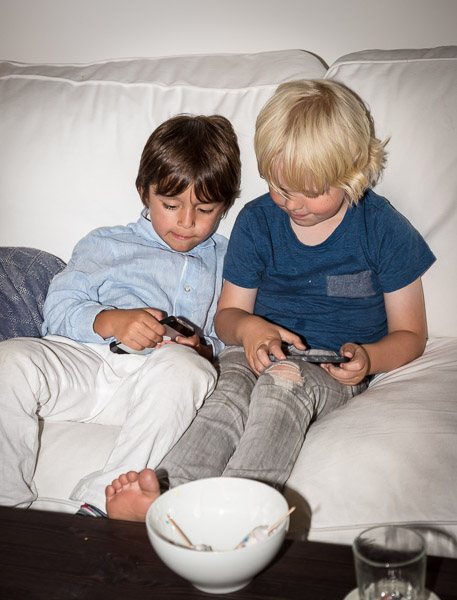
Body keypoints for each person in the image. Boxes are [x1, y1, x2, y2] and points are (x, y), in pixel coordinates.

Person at [104, 79, 436, 522]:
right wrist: (249, 327)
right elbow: (227, 317)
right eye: (281, 187)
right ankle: (168, 500)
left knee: (280, 390)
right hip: (253, 352)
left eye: (311, 190)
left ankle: (240, 512)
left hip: (330, 365)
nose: (293, 203)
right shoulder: (258, 221)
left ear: (353, 172)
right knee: (225, 399)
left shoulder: (383, 229)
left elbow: (412, 334)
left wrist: (371, 359)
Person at [0, 114, 241, 516]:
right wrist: (112, 321)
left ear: (226, 205)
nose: (186, 222)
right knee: (9, 360)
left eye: (205, 208)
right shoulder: (106, 243)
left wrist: (202, 347)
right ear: (145, 193)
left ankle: (100, 504)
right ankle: (6, 507)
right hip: (85, 363)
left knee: (187, 369)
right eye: (171, 205)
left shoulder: (228, 261)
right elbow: (58, 308)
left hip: (154, 387)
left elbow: (229, 328)